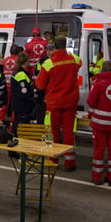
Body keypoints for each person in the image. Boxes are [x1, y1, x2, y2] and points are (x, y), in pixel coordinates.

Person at [36, 36, 81, 171]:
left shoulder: (48, 64)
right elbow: (80, 63)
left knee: (52, 132)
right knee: (68, 132)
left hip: (53, 103)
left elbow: (40, 85)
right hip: (71, 103)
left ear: (54, 47)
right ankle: (70, 163)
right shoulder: (74, 59)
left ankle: (53, 161)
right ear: (65, 45)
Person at [10, 53, 34, 136]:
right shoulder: (22, 75)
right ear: (26, 62)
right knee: (19, 127)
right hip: (22, 106)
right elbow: (23, 92)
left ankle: (13, 143)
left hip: (17, 104)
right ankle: (14, 145)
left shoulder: (17, 72)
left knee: (16, 124)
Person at [0, 44, 20, 124]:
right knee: (15, 105)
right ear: (19, 52)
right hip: (15, 87)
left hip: (6, 86)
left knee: (5, 105)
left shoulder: (5, 60)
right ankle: (13, 122)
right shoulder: (19, 61)